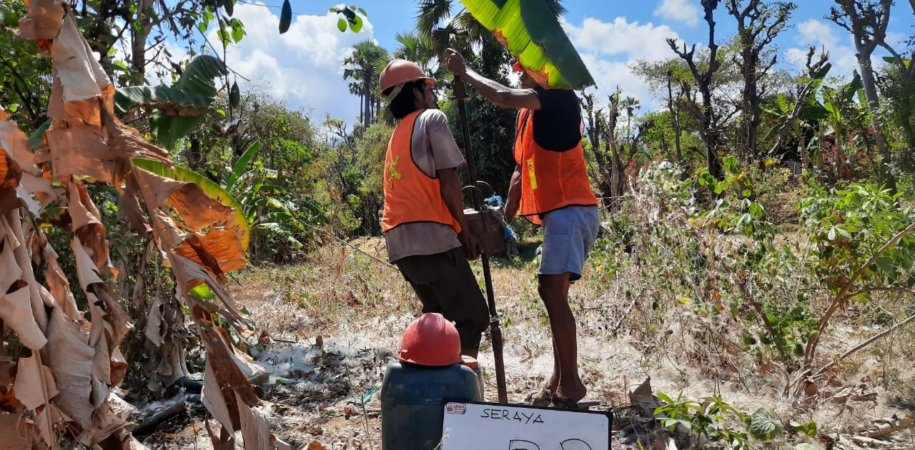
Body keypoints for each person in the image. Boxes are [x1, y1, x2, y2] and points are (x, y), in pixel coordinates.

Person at [444, 50, 600, 408]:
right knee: (552, 294)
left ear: (544, 72)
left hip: (572, 210)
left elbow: (499, 96)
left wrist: (465, 72)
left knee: (552, 293)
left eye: (525, 70)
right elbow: (518, 174)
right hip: (559, 214)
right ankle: (558, 381)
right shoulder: (527, 118)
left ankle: (571, 385)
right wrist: (502, 222)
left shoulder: (559, 98)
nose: (520, 75)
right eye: (518, 70)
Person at [378, 59, 490, 358]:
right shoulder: (431, 119)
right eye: (426, 87)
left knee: (436, 316)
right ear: (415, 92)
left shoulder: (397, 135)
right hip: (431, 238)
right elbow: (449, 182)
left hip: (398, 242)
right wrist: (464, 232)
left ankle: (431, 384)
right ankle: (459, 391)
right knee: (472, 317)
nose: (431, 94)